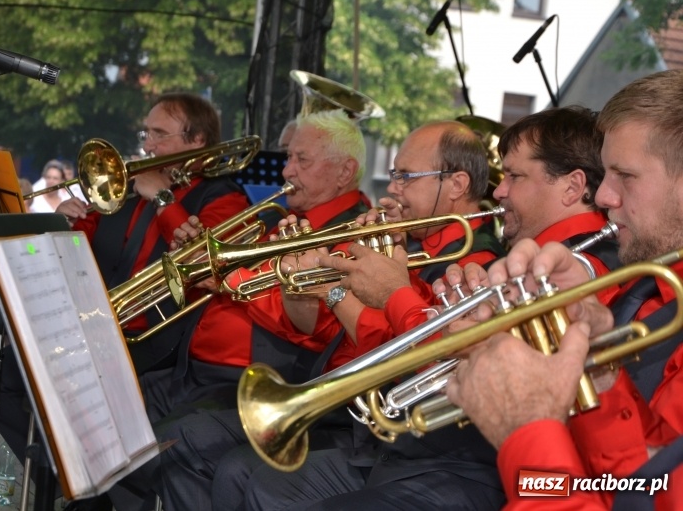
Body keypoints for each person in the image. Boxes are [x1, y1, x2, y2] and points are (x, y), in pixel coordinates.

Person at [236, 106, 623, 511]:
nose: (499, 191)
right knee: (256, 480)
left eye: (515, 176)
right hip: (427, 453)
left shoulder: (579, 267)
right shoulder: (540, 256)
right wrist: (409, 285)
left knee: (260, 483)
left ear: (572, 187)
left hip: (467, 466)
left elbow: (452, 355)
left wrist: (388, 292)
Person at [153, 120, 506, 511]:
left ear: (456, 184)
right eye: (393, 176)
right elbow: (318, 327)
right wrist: (301, 279)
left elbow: (402, 354)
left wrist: (336, 289)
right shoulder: (411, 240)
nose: (392, 188)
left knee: (239, 471)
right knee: (225, 463)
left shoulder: (474, 264)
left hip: (392, 432)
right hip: (349, 406)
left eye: (405, 177)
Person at [0, 92, 249, 510]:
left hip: (159, 342)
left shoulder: (224, 198)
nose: (147, 145)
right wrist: (69, 222)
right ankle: (76, 478)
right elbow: (86, 254)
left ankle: (96, 488)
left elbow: (202, 261)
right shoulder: (126, 192)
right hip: (98, 327)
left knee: (80, 396)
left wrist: (163, 199)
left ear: (197, 141)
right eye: (146, 133)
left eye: (159, 134)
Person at [107, 109, 373, 511]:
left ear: (345, 171)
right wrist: (200, 259)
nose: (287, 170)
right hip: (197, 367)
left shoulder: (352, 230)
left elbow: (312, 322)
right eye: (289, 157)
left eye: (301, 159)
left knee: (160, 448)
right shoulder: (286, 218)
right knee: (111, 417)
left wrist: (230, 279)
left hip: (265, 381)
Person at [447, 69, 683, 510]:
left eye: (625, 175)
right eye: (606, 174)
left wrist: (526, 434)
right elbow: (635, 485)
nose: (604, 196)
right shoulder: (657, 286)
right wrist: (596, 366)